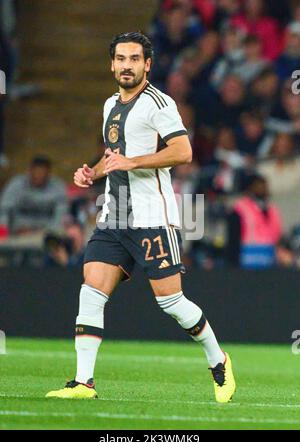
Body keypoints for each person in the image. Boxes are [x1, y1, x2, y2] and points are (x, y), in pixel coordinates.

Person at [46, 31, 236, 402]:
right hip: (114, 215)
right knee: (91, 290)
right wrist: (93, 173)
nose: (126, 65)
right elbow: (114, 153)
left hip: (152, 216)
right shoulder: (109, 105)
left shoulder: (159, 103)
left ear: (147, 64)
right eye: (120, 59)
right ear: (112, 64)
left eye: (134, 59)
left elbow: (183, 151)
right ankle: (84, 383)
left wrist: (133, 162)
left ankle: (219, 359)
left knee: (171, 302)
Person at [0, 155, 68, 235]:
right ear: (29, 171)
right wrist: (3, 231)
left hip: (46, 232)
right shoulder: (16, 184)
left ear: (48, 174)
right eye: (36, 173)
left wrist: (51, 232)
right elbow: (5, 209)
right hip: (18, 230)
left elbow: (61, 214)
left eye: (42, 174)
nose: (38, 176)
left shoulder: (58, 187)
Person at [226, 174, 282, 268]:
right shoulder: (240, 208)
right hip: (248, 259)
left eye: (264, 186)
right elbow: (233, 236)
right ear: (251, 188)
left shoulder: (272, 209)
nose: (262, 189)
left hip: (269, 259)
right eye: (258, 186)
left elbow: (277, 234)